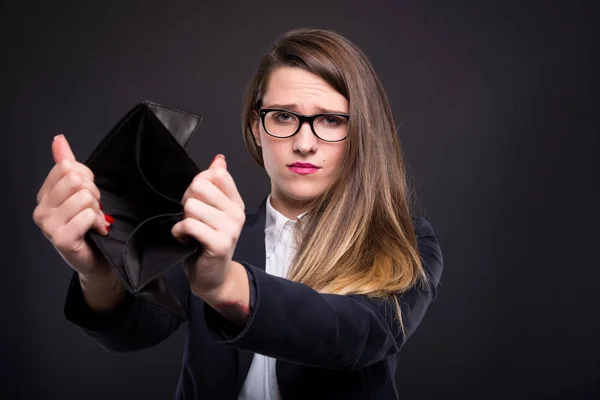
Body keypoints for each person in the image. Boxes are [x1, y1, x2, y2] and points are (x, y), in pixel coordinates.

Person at [32, 28, 443, 400]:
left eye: (331, 121)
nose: (304, 143)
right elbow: (134, 331)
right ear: (255, 127)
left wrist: (226, 284)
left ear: (360, 134)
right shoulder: (205, 232)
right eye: (283, 116)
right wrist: (96, 271)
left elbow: (354, 337)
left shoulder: (405, 241)